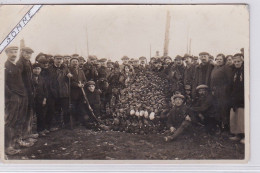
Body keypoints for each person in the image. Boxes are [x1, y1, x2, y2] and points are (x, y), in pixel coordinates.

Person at [5, 46, 27, 155]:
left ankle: (18, 141)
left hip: (21, 95)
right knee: (11, 121)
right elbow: (3, 84)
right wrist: (11, 95)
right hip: (14, 97)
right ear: (6, 53)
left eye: (15, 52)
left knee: (19, 119)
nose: (14, 54)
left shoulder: (16, 66)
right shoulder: (5, 66)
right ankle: (8, 147)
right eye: (11, 52)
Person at [16, 47, 38, 145]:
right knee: (23, 114)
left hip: (30, 91)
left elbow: (31, 77)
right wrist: (23, 92)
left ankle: (27, 133)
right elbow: (18, 79)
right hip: (24, 92)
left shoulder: (28, 62)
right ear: (22, 53)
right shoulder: (20, 63)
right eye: (26, 53)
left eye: (30, 53)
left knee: (30, 113)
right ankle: (21, 137)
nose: (28, 55)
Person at [47, 54, 73, 130]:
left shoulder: (65, 68)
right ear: (54, 59)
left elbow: (70, 78)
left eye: (60, 59)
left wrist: (70, 76)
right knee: (56, 109)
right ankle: (58, 124)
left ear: (62, 60)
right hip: (54, 92)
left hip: (64, 92)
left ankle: (67, 124)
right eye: (57, 59)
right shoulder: (50, 68)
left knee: (66, 109)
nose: (59, 60)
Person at [210, 54, 233, 132]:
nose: (219, 60)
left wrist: (225, 90)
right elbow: (212, 80)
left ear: (224, 60)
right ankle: (219, 126)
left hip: (224, 92)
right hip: (216, 91)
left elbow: (230, 81)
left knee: (224, 108)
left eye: (221, 59)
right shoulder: (215, 68)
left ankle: (226, 127)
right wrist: (212, 89)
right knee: (217, 108)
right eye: (217, 59)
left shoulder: (226, 68)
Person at [229, 53, 245, 144]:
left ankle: (245, 136)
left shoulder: (245, 70)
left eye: (238, 61)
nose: (237, 63)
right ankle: (237, 135)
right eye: (235, 61)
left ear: (242, 61)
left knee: (242, 117)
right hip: (234, 96)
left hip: (242, 97)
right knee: (235, 116)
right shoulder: (234, 71)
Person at [69, 57, 87, 126]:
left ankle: (80, 121)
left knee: (81, 106)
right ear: (71, 63)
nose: (75, 63)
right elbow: (69, 82)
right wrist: (77, 85)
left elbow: (85, 80)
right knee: (74, 107)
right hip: (73, 92)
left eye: (76, 61)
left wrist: (83, 84)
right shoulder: (69, 71)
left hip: (81, 92)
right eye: (73, 62)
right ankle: (74, 121)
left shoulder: (81, 71)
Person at [32, 63, 48, 136]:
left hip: (40, 100)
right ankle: (32, 132)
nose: (37, 70)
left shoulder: (42, 79)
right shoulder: (30, 78)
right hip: (32, 100)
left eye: (38, 69)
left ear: (40, 70)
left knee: (41, 115)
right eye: (35, 69)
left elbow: (45, 90)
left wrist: (44, 99)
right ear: (32, 70)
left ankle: (41, 130)